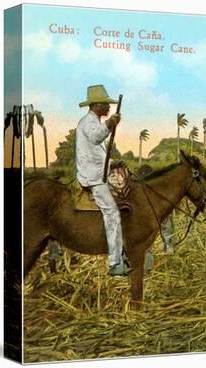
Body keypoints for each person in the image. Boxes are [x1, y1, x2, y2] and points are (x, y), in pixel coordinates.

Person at [75, 84, 128, 276]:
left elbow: (97, 154)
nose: (109, 108)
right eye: (106, 104)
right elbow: (97, 138)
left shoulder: (94, 121)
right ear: (96, 105)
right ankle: (115, 264)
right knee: (112, 213)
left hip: (98, 171)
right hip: (93, 177)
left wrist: (113, 162)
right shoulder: (88, 122)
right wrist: (110, 124)